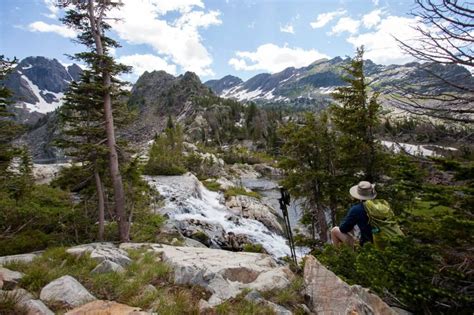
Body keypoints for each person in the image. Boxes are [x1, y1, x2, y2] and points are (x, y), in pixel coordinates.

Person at [331, 181, 376, 247]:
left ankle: (340, 256)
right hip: (386, 243)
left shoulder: (357, 209)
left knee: (334, 230)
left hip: (368, 246)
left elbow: (343, 228)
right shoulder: (383, 206)